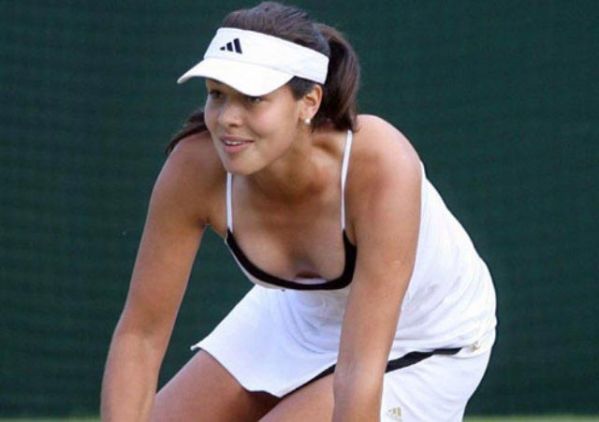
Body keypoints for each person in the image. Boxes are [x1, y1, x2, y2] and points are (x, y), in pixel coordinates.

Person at [100, 2, 497, 421]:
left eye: (253, 98)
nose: (228, 118)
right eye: (217, 94)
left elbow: (359, 371)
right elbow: (140, 336)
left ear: (308, 102)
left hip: (427, 338)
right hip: (300, 312)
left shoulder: (381, 165)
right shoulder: (194, 165)